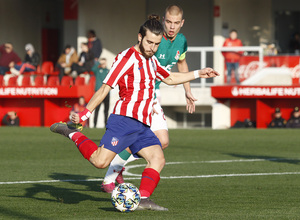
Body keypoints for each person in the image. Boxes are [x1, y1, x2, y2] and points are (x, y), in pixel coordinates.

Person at [50, 15, 219, 211]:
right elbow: (105, 88)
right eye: (149, 42)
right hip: (123, 120)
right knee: (99, 161)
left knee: (158, 158)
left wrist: (199, 73)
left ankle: (144, 198)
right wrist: (85, 115)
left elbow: (170, 78)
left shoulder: (153, 60)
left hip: (142, 125)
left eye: (156, 44)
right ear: (140, 37)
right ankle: (72, 133)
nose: (152, 48)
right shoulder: (125, 58)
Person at [101, 4, 197, 193]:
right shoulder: (155, 39)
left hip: (155, 94)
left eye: (176, 23)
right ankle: (111, 175)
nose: (172, 26)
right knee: (156, 140)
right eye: (168, 21)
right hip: (142, 97)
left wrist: (187, 90)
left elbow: (182, 62)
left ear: (182, 23)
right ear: (163, 20)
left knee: (162, 141)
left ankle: (116, 168)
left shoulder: (182, 41)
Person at [91, 58, 110, 128]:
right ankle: (94, 125)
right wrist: (98, 63)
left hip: (107, 93)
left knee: (106, 110)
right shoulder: (98, 70)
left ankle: (106, 125)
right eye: (102, 63)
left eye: (104, 63)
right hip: (99, 92)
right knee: (97, 109)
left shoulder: (108, 71)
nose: (103, 64)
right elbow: (92, 69)